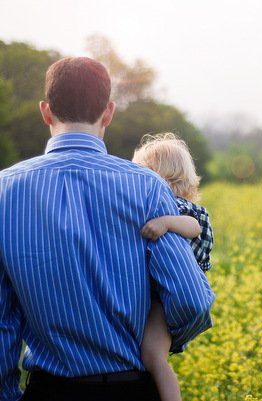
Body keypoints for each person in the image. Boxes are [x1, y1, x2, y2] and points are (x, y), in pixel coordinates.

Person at [0, 57, 215, 401]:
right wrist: (156, 351)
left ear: (45, 112)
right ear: (109, 112)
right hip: (132, 387)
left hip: (48, 390)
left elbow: (1, 322)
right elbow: (192, 302)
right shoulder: (147, 186)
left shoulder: (4, 190)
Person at [132, 133, 214, 401]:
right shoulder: (164, 205)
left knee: (153, 355)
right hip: (160, 291)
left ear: (160, 176)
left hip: (167, 298)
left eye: (141, 172)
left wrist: (166, 222)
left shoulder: (182, 210)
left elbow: (193, 227)